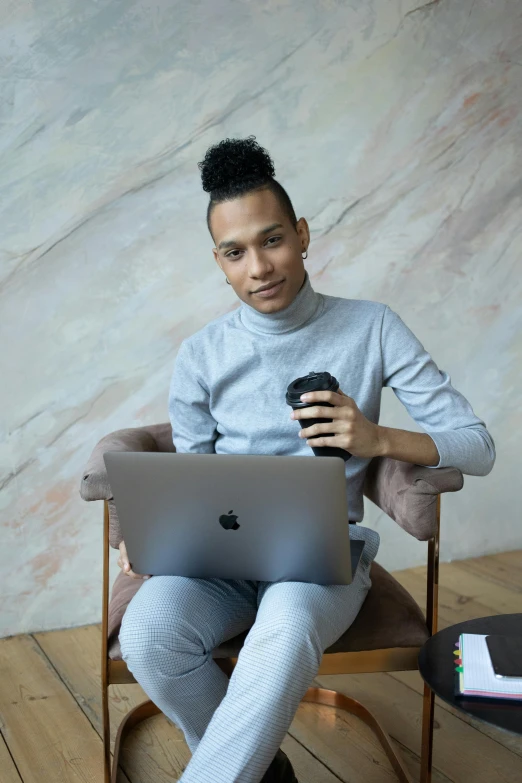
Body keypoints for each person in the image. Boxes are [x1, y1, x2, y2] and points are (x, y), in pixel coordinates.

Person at [117, 136, 496, 783]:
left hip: (323, 562)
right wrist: (158, 534)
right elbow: (193, 477)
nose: (259, 266)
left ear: (303, 234)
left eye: (272, 240)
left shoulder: (372, 327)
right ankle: (262, 771)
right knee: (149, 633)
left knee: (286, 630)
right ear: (220, 262)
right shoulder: (201, 354)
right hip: (221, 561)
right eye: (236, 252)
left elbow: (478, 445)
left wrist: (377, 438)